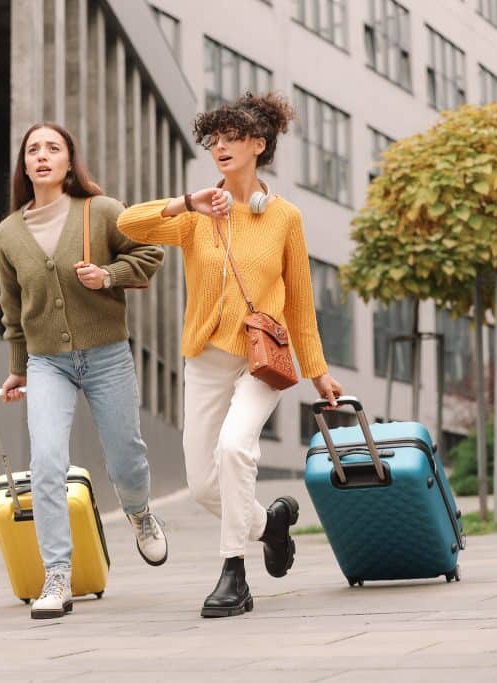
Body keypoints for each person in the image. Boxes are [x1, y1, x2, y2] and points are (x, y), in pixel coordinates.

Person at [117, 92, 344, 618]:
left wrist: (319, 373)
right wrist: (184, 203)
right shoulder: (198, 216)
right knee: (203, 486)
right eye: (213, 140)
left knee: (236, 450)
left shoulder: (285, 218)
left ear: (258, 145)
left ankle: (233, 575)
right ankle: (272, 525)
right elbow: (129, 224)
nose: (219, 147)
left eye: (231, 139)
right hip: (206, 358)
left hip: (263, 358)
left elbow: (302, 305)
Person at [0, 122, 168, 620]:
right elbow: (12, 308)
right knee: (47, 462)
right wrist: (17, 369)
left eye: (54, 148)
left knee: (125, 456)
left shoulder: (102, 211)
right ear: (24, 166)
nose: (43, 156)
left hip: (107, 353)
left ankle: (140, 514)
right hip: (46, 361)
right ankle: (56, 574)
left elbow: (150, 252)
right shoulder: (8, 233)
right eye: (34, 150)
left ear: (70, 162)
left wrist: (108, 275)